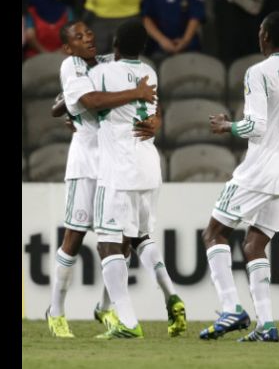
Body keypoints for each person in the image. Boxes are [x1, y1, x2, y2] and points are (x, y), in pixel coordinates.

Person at [199, 12, 279, 342]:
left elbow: (254, 127)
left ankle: (231, 307)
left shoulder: (258, 72)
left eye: (260, 31)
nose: (259, 36)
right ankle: (267, 325)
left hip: (260, 170)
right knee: (255, 244)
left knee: (214, 233)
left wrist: (227, 126)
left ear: (267, 36)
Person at [46, 19, 156, 338]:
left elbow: (146, 98)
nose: (87, 39)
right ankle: (55, 311)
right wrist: (68, 107)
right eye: (78, 37)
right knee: (75, 237)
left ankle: (107, 308)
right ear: (68, 47)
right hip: (87, 162)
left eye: (89, 33)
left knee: (120, 241)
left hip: (116, 163)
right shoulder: (72, 66)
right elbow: (89, 101)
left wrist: (156, 120)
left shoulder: (110, 62)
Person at [87, 18, 184, 339]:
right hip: (148, 166)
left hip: (119, 170)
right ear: (142, 48)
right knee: (141, 237)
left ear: (114, 43)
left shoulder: (100, 74)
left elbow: (91, 103)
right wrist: (155, 117)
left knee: (109, 244)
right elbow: (155, 112)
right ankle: (170, 294)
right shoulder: (149, 72)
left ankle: (126, 321)